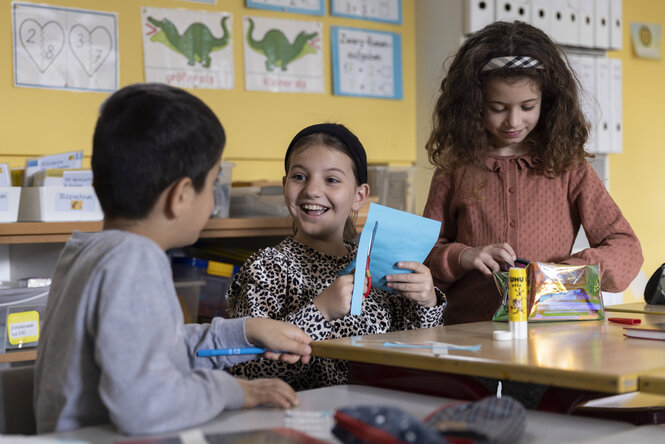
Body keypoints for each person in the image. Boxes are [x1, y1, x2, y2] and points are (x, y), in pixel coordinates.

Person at [34, 83, 313, 435]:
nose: (212, 201)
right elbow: (146, 405)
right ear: (181, 196)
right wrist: (235, 391)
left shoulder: (88, 251)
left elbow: (153, 347)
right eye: (212, 185)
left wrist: (243, 333)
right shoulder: (134, 261)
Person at [423, 21, 643, 325]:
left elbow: (626, 248)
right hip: (469, 334)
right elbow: (424, 256)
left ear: (548, 101)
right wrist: (463, 256)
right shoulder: (455, 167)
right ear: (473, 104)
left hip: (553, 333)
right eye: (497, 108)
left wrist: (567, 271)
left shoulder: (568, 165)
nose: (513, 121)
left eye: (528, 106)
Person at [226, 123, 446, 390]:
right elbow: (245, 369)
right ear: (285, 186)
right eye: (299, 176)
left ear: (359, 195)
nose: (312, 190)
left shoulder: (377, 265)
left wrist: (426, 303)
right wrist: (320, 311)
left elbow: (419, 355)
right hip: (298, 416)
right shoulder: (268, 267)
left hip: (377, 412)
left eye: (331, 180)